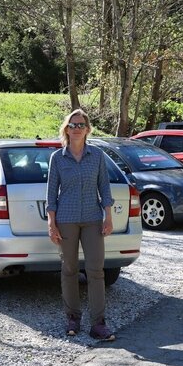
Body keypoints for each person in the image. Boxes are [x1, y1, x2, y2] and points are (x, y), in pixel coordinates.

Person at [45, 108, 115, 341]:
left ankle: (99, 323)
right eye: (72, 125)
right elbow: (51, 194)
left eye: (81, 125)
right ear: (66, 129)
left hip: (93, 219)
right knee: (69, 269)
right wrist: (51, 224)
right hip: (66, 220)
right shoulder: (58, 158)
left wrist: (109, 216)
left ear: (87, 129)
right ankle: (72, 318)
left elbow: (104, 187)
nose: (76, 129)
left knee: (96, 271)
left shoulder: (97, 156)